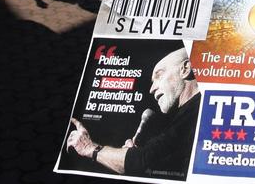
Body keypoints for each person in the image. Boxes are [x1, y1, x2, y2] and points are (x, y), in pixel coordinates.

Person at [67, 48, 201, 179]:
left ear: (185, 69)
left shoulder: (194, 112)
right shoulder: (189, 113)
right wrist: (133, 155)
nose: (151, 89)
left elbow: (142, 161)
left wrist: (89, 148)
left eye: (159, 75)